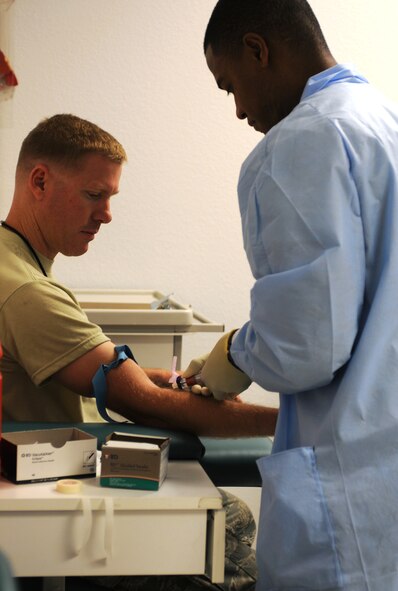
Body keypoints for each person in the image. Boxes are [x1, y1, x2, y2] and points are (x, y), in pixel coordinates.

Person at [0, 113, 278, 591]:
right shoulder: (24, 290)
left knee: (234, 522)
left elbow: (106, 369)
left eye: (110, 198)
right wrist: (289, 421)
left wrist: (159, 378)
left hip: (67, 468)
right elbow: (136, 399)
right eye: (93, 195)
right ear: (39, 181)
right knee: (229, 530)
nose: (106, 214)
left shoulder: (18, 263)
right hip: (59, 493)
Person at [182, 0, 398, 589]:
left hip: (350, 493)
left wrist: (235, 356)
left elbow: (305, 344)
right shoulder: (382, 118)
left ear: (259, 49)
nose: (238, 109)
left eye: (231, 85)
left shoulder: (298, 144)